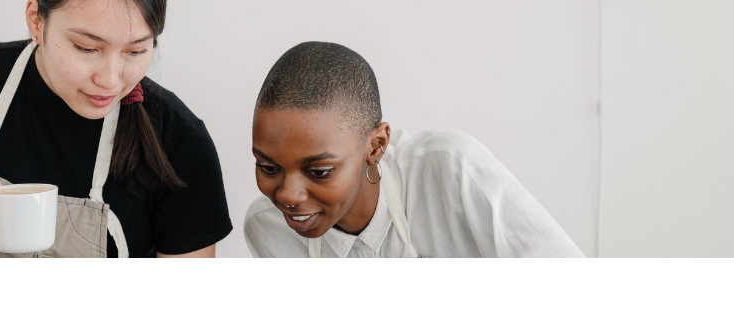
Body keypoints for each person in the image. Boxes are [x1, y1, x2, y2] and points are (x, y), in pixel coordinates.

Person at [0, 0, 232, 258]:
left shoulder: (179, 140)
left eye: (136, 51)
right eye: (86, 48)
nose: (110, 80)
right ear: (36, 20)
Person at [244, 41, 584, 258]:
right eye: (268, 167)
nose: (288, 196)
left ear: (376, 146)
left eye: (319, 171)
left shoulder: (451, 169)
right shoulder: (267, 228)